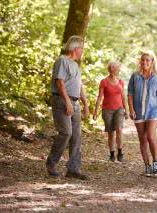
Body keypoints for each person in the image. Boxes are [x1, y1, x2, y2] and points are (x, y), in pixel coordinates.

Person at [46, 35, 89, 180]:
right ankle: (51, 163)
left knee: (76, 136)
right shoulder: (62, 61)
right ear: (75, 48)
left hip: (75, 102)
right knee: (66, 133)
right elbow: (60, 83)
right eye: (81, 48)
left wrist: (85, 103)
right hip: (62, 101)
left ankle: (73, 169)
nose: (82, 51)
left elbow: (79, 86)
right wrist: (67, 101)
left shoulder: (75, 65)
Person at [127, 50, 157, 177]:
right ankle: (147, 166)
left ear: (152, 62)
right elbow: (130, 94)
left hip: (153, 111)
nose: (145, 62)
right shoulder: (135, 76)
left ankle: (156, 163)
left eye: (148, 60)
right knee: (142, 139)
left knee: (150, 137)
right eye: (143, 60)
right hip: (138, 111)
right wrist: (131, 109)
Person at [93, 62, 128, 162]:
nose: (119, 69)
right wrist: (95, 112)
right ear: (112, 69)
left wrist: (126, 110)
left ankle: (120, 151)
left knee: (119, 129)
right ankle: (112, 154)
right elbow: (100, 97)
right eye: (117, 67)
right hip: (107, 110)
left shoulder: (120, 81)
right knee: (111, 133)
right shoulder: (104, 82)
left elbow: (123, 97)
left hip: (119, 109)